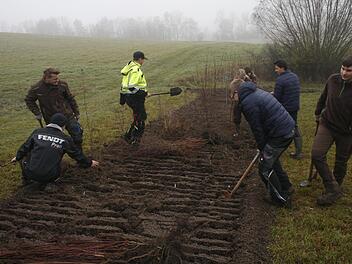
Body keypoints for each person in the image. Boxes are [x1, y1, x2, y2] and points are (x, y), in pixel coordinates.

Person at [234, 81, 295, 207]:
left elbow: (257, 129)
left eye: (232, 95)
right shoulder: (255, 92)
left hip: (281, 134)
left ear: (236, 92)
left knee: (264, 168)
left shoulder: (248, 103)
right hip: (286, 128)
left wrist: (262, 147)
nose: (232, 99)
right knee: (272, 160)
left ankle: (280, 199)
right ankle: (286, 186)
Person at [11, 113, 99, 189]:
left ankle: (26, 180)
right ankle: (51, 182)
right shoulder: (65, 139)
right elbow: (76, 154)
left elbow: (24, 148)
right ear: (63, 126)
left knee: (24, 155)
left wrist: (17, 157)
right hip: (50, 176)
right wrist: (89, 163)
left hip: (30, 173)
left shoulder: (37, 132)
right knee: (64, 163)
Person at [312, 56, 352, 206]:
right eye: (343, 68)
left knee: (341, 162)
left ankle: (335, 187)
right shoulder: (332, 80)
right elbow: (323, 97)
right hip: (327, 124)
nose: (344, 73)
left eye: (349, 70)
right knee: (317, 154)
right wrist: (317, 112)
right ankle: (332, 187)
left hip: (347, 133)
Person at [25, 68, 83, 150]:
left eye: (58, 78)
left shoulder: (63, 85)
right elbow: (29, 100)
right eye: (55, 79)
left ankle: (79, 153)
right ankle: (57, 156)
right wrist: (37, 112)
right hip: (52, 119)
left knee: (77, 134)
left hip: (67, 115)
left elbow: (70, 99)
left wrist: (76, 112)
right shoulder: (36, 88)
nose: (57, 80)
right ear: (46, 78)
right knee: (55, 141)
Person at [273, 60, 302, 159]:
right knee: (294, 127)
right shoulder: (294, 76)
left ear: (282, 68)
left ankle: (276, 150)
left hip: (284, 108)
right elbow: (290, 91)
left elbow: (277, 97)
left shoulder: (280, 80)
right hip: (294, 107)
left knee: (279, 128)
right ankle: (299, 152)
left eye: (276, 68)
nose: (275, 70)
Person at [120, 51, 148, 146]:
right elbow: (131, 87)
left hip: (129, 98)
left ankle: (128, 136)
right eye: (143, 59)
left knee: (137, 117)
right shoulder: (136, 70)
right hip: (135, 98)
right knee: (141, 118)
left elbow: (124, 85)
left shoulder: (128, 68)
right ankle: (135, 141)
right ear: (140, 59)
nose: (143, 61)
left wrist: (122, 98)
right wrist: (143, 93)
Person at [229, 69, 250, 136]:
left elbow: (231, 94)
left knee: (237, 117)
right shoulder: (245, 83)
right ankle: (250, 129)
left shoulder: (233, 83)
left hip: (237, 102)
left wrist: (232, 97)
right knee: (248, 115)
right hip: (245, 101)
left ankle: (237, 132)